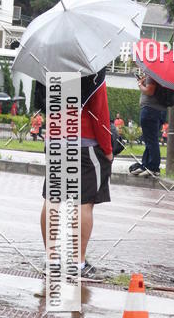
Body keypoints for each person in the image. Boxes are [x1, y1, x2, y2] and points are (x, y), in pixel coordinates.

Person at [40, 69, 113, 277]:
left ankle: (51, 259)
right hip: (84, 142)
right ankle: (77, 263)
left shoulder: (51, 64)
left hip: (56, 138)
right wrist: (107, 150)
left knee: (53, 198)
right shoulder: (93, 68)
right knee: (83, 203)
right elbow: (100, 113)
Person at [129, 72, 166, 177]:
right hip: (160, 111)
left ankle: (154, 167)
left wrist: (140, 84)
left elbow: (149, 91)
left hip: (150, 110)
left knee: (151, 140)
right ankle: (146, 165)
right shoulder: (161, 75)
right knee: (150, 139)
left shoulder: (152, 74)